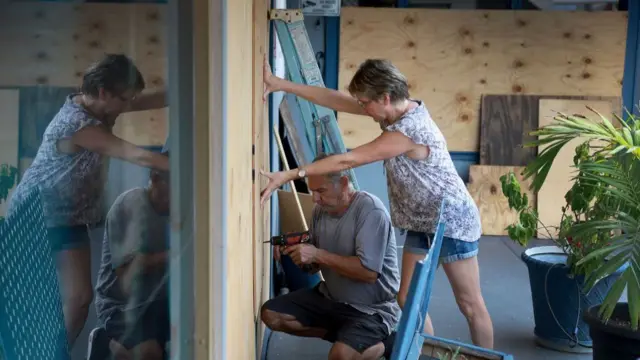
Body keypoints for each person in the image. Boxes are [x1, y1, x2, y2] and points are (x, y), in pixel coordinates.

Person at [259, 58, 494, 349]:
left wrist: (291, 175)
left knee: (469, 303)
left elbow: (350, 159)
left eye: (365, 102)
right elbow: (335, 99)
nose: (362, 107)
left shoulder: (409, 130)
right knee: (407, 298)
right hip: (421, 222)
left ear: (384, 97)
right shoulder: (391, 111)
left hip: (452, 219)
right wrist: (281, 84)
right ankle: (426, 353)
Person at [6, 53, 170, 348]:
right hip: (34, 215)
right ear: (104, 92)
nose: (129, 105)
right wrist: (198, 170)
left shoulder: (103, 106)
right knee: (33, 303)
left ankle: (54, 354)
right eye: (126, 99)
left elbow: (159, 97)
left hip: (69, 217)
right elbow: (138, 155)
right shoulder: (77, 125)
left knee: (81, 299)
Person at [261, 155, 401, 360]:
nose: (315, 198)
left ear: (343, 184)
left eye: (321, 191)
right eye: (312, 191)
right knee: (271, 315)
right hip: (332, 298)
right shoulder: (320, 211)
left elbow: (369, 272)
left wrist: (317, 254)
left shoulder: (371, 211)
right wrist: (300, 257)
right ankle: (349, 338)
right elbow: (314, 266)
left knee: (339, 356)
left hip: (372, 310)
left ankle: (385, 344)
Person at [90, 162, 171, 360]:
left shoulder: (175, 212)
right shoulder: (130, 205)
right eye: (171, 188)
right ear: (154, 179)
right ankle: (106, 345)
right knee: (150, 353)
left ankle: (118, 351)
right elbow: (126, 274)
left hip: (156, 302)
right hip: (121, 306)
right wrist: (171, 255)